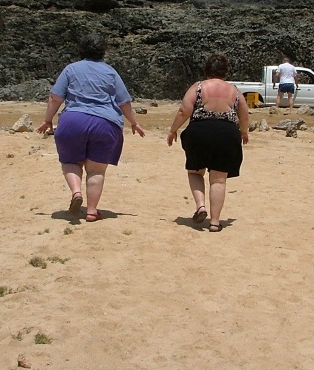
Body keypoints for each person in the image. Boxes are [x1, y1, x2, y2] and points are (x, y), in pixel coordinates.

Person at [36, 33, 145, 222]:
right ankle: (92, 211)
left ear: (81, 50)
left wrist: (48, 119)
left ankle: (76, 192)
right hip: (105, 123)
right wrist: (134, 122)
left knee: (71, 161)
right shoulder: (110, 72)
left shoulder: (71, 69)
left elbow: (55, 98)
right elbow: (124, 102)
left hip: (73, 120)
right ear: (103, 51)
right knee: (96, 170)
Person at [167, 53, 249, 232]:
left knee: (195, 172)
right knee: (219, 180)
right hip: (227, 133)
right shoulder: (234, 91)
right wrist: (244, 132)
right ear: (225, 71)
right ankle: (215, 222)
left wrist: (173, 130)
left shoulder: (198, 87)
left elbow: (183, 111)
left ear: (206, 70)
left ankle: (200, 206)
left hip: (200, 131)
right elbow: (244, 115)